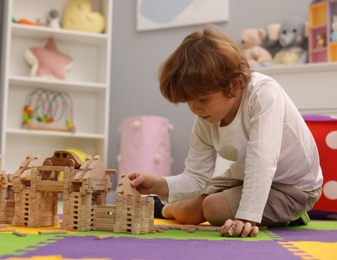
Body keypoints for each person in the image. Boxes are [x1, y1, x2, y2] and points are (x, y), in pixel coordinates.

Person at [127, 25, 323, 238]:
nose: (195, 109)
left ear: (235, 84)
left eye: (202, 99)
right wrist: (158, 184)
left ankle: (293, 215)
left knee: (214, 208)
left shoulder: (265, 95)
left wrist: (247, 217)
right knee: (188, 211)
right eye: (188, 102)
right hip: (245, 175)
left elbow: (262, 160)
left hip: (292, 187)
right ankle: (160, 207)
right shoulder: (205, 118)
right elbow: (195, 178)